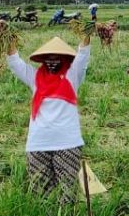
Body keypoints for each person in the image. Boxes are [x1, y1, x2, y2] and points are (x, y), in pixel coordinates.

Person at [5, 33, 91, 201]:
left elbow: (82, 56)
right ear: (43, 60)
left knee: (68, 195)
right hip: (38, 144)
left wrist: (87, 33)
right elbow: (15, 63)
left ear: (64, 59)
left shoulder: (72, 76)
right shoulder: (35, 78)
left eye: (57, 58)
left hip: (67, 144)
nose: (52, 62)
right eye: (49, 59)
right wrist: (7, 39)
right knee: (40, 195)